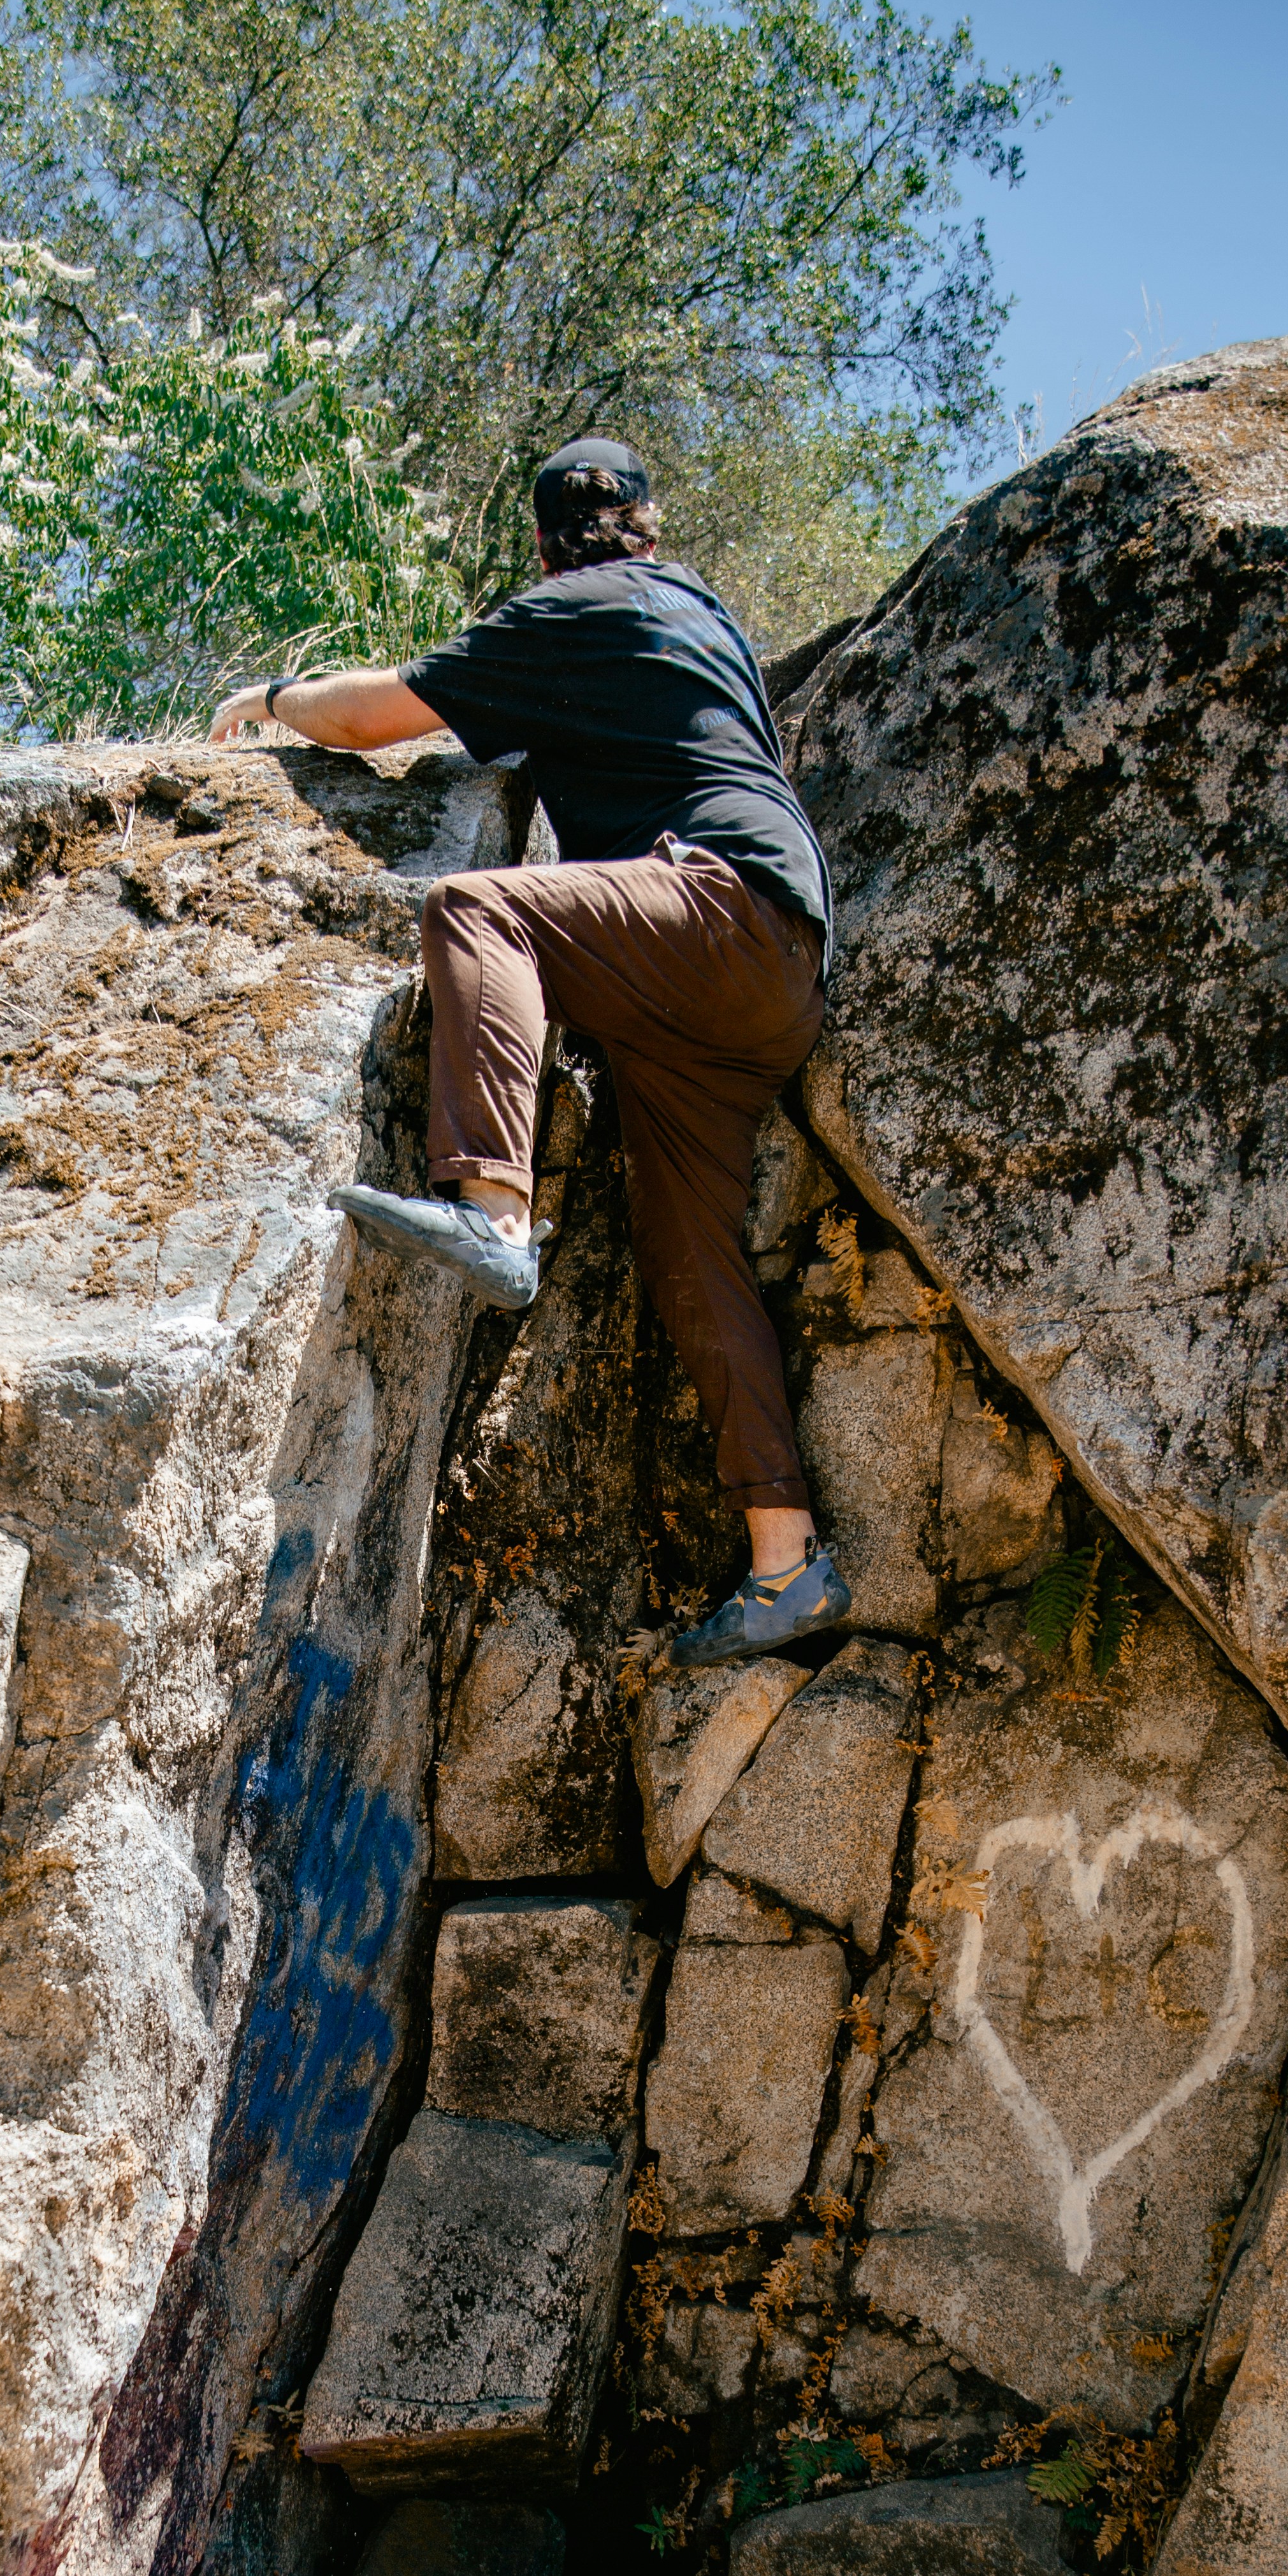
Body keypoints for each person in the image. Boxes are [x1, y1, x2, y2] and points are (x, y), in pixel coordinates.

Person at [211, 437, 846, 1669]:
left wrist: (274, 701)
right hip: (771, 977)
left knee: (476, 909)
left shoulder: (567, 608)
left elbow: (374, 716)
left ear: (547, 546)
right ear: (649, 527)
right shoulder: (702, 615)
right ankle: (789, 1564)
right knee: (688, 1248)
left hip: (719, 911)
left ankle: (493, 1215)